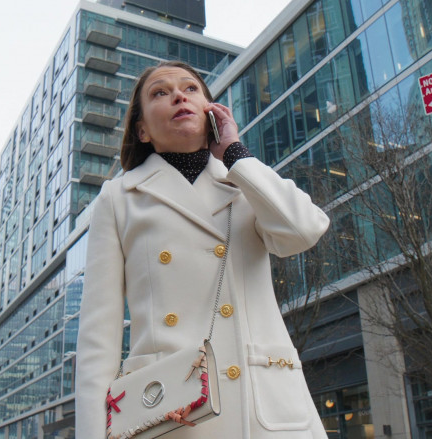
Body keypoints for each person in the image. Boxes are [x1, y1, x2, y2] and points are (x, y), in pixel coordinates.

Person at [75, 60, 330, 438]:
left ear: (211, 111)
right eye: (160, 92)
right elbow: (98, 337)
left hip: (265, 410)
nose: (179, 95)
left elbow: (304, 231)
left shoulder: (245, 181)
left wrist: (235, 153)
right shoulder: (119, 197)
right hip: (173, 413)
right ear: (142, 129)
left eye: (191, 88)